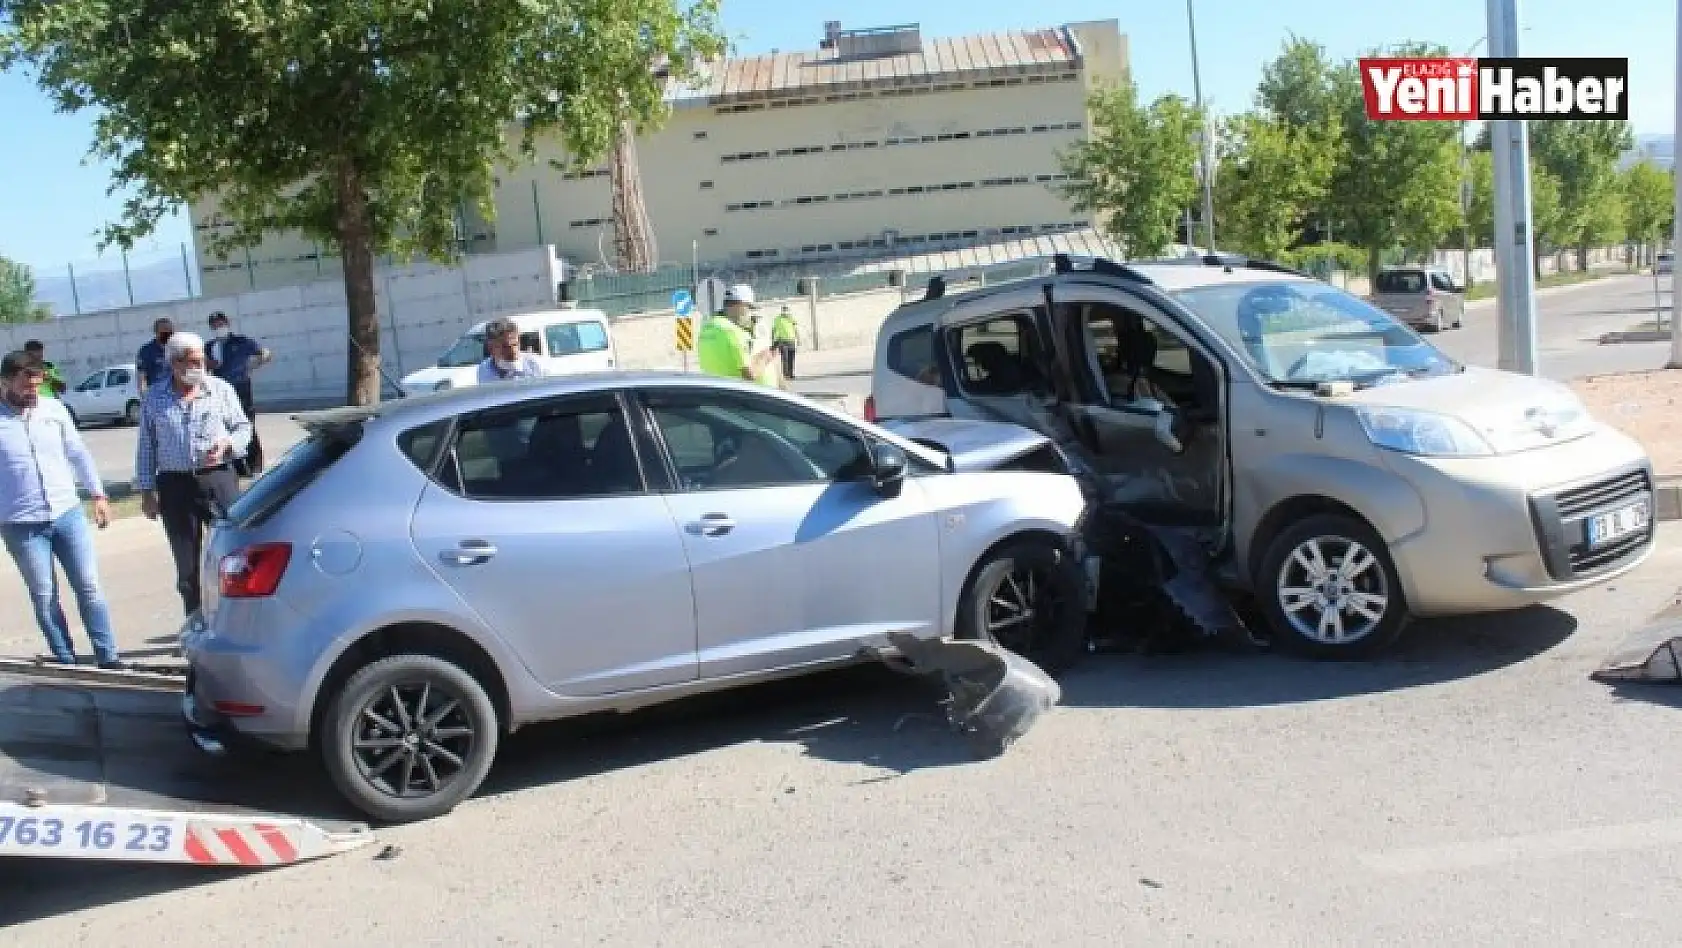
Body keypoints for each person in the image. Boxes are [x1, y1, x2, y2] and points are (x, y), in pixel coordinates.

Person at [0, 351, 123, 669]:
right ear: (4, 383)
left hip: (66, 513)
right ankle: (67, 661)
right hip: (21, 524)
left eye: (37, 385)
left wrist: (98, 494)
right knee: (44, 595)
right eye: (26, 386)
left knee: (90, 587)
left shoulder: (53, 410)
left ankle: (108, 658)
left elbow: (78, 454)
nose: (33, 393)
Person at [134, 331, 252, 618]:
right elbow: (147, 446)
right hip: (176, 486)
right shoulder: (155, 398)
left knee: (233, 555)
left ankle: (236, 619)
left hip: (218, 480)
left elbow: (243, 428)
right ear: (174, 363)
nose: (199, 368)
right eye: (192, 362)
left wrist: (228, 445)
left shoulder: (220, 389)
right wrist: (148, 492)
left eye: (201, 361)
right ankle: (195, 619)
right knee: (187, 565)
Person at [206, 311, 274, 476]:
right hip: (220, 391)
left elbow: (264, 353)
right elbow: (204, 367)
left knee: (247, 424)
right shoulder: (209, 346)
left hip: (241, 387)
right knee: (227, 427)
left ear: (227, 323)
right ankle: (239, 466)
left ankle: (256, 465)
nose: (218, 327)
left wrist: (256, 363)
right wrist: (209, 365)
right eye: (215, 325)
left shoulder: (241, 341)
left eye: (221, 324)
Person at [696, 284, 778, 386]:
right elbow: (749, 374)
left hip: (716, 393)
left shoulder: (706, 328)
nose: (750, 313)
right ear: (739, 304)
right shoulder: (732, 331)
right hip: (741, 396)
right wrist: (767, 355)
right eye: (749, 308)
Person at [476, 317, 545, 383]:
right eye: (505, 347)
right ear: (491, 348)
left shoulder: (536, 364)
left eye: (515, 344)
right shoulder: (484, 370)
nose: (513, 350)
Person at [135, 317, 174, 397]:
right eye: (164, 331)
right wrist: (145, 397)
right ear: (156, 332)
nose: (167, 334)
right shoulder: (146, 351)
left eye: (169, 331)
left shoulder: (178, 347)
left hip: (177, 393)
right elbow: (142, 378)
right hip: (157, 395)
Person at [771, 305, 801, 380]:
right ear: (782, 310)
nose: (785, 311)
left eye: (786, 310)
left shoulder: (791, 318)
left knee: (791, 357)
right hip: (782, 341)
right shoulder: (777, 319)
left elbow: (796, 329)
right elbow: (773, 330)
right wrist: (773, 340)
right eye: (784, 310)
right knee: (785, 358)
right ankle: (786, 374)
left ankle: (791, 374)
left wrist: (799, 339)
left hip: (791, 340)